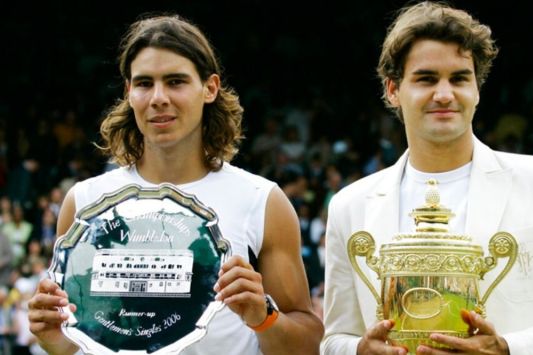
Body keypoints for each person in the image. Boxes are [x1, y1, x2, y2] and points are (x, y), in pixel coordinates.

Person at [321, 2, 533, 355]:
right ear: (393, 90)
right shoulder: (350, 205)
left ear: (477, 90)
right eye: (426, 78)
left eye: (460, 78)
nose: (445, 94)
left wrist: (507, 349)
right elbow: (334, 339)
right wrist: (359, 350)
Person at [26, 14, 323, 355]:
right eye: (144, 83)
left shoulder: (261, 201)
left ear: (210, 88)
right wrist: (52, 338)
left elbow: (310, 344)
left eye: (176, 81)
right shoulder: (85, 202)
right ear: (129, 92)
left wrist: (263, 317)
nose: (158, 97)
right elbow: (74, 342)